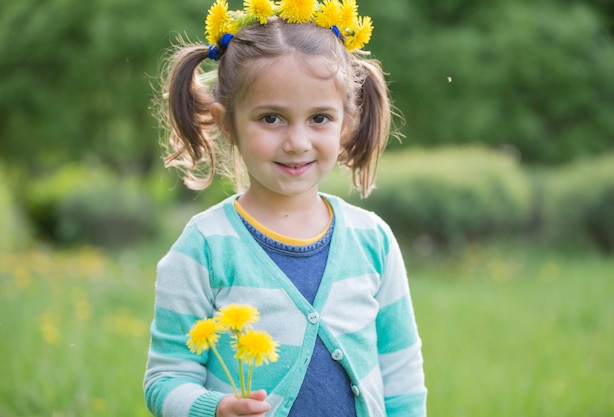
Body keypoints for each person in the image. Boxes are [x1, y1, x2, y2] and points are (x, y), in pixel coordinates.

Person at [143, 0, 427, 416]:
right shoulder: (204, 247)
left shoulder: (373, 241)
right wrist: (214, 408)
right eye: (272, 118)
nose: (297, 141)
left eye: (319, 118)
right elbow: (164, 379)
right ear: (228, 123)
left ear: (347, 121)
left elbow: (402, 376)